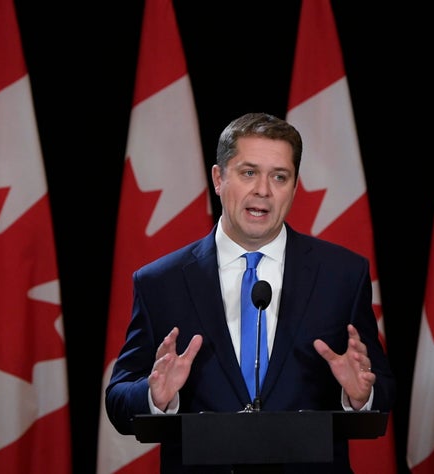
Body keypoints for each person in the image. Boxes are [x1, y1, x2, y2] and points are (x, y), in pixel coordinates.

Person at [105, 112, 395, 473]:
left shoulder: (342, 275)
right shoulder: (161, 282)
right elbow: (117, 400)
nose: (263, 190)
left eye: (279, 176)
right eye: (248, 172)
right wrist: (154, 396)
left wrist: (360, 395)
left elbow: (382, 387)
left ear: (293, 186)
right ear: (218, 178)